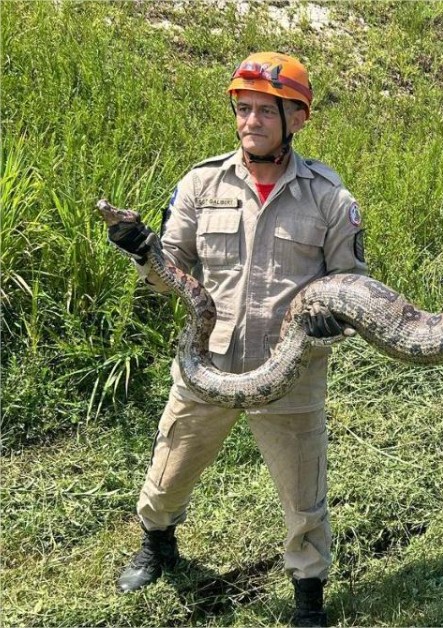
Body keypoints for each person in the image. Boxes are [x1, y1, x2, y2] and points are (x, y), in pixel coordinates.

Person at [107, 51, 366, 627]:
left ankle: (308, 595)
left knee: (304, 494)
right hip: (209, 363)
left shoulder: (329, 197)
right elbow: (172, 267)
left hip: (291, 370)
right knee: (171, 466)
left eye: (263, 112)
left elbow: (354, 285)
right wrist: (141, 248)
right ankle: (157, 544)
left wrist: (335, 317)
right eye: (242, 109)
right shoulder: (202, 183)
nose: (249, 122)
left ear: (296, 119)